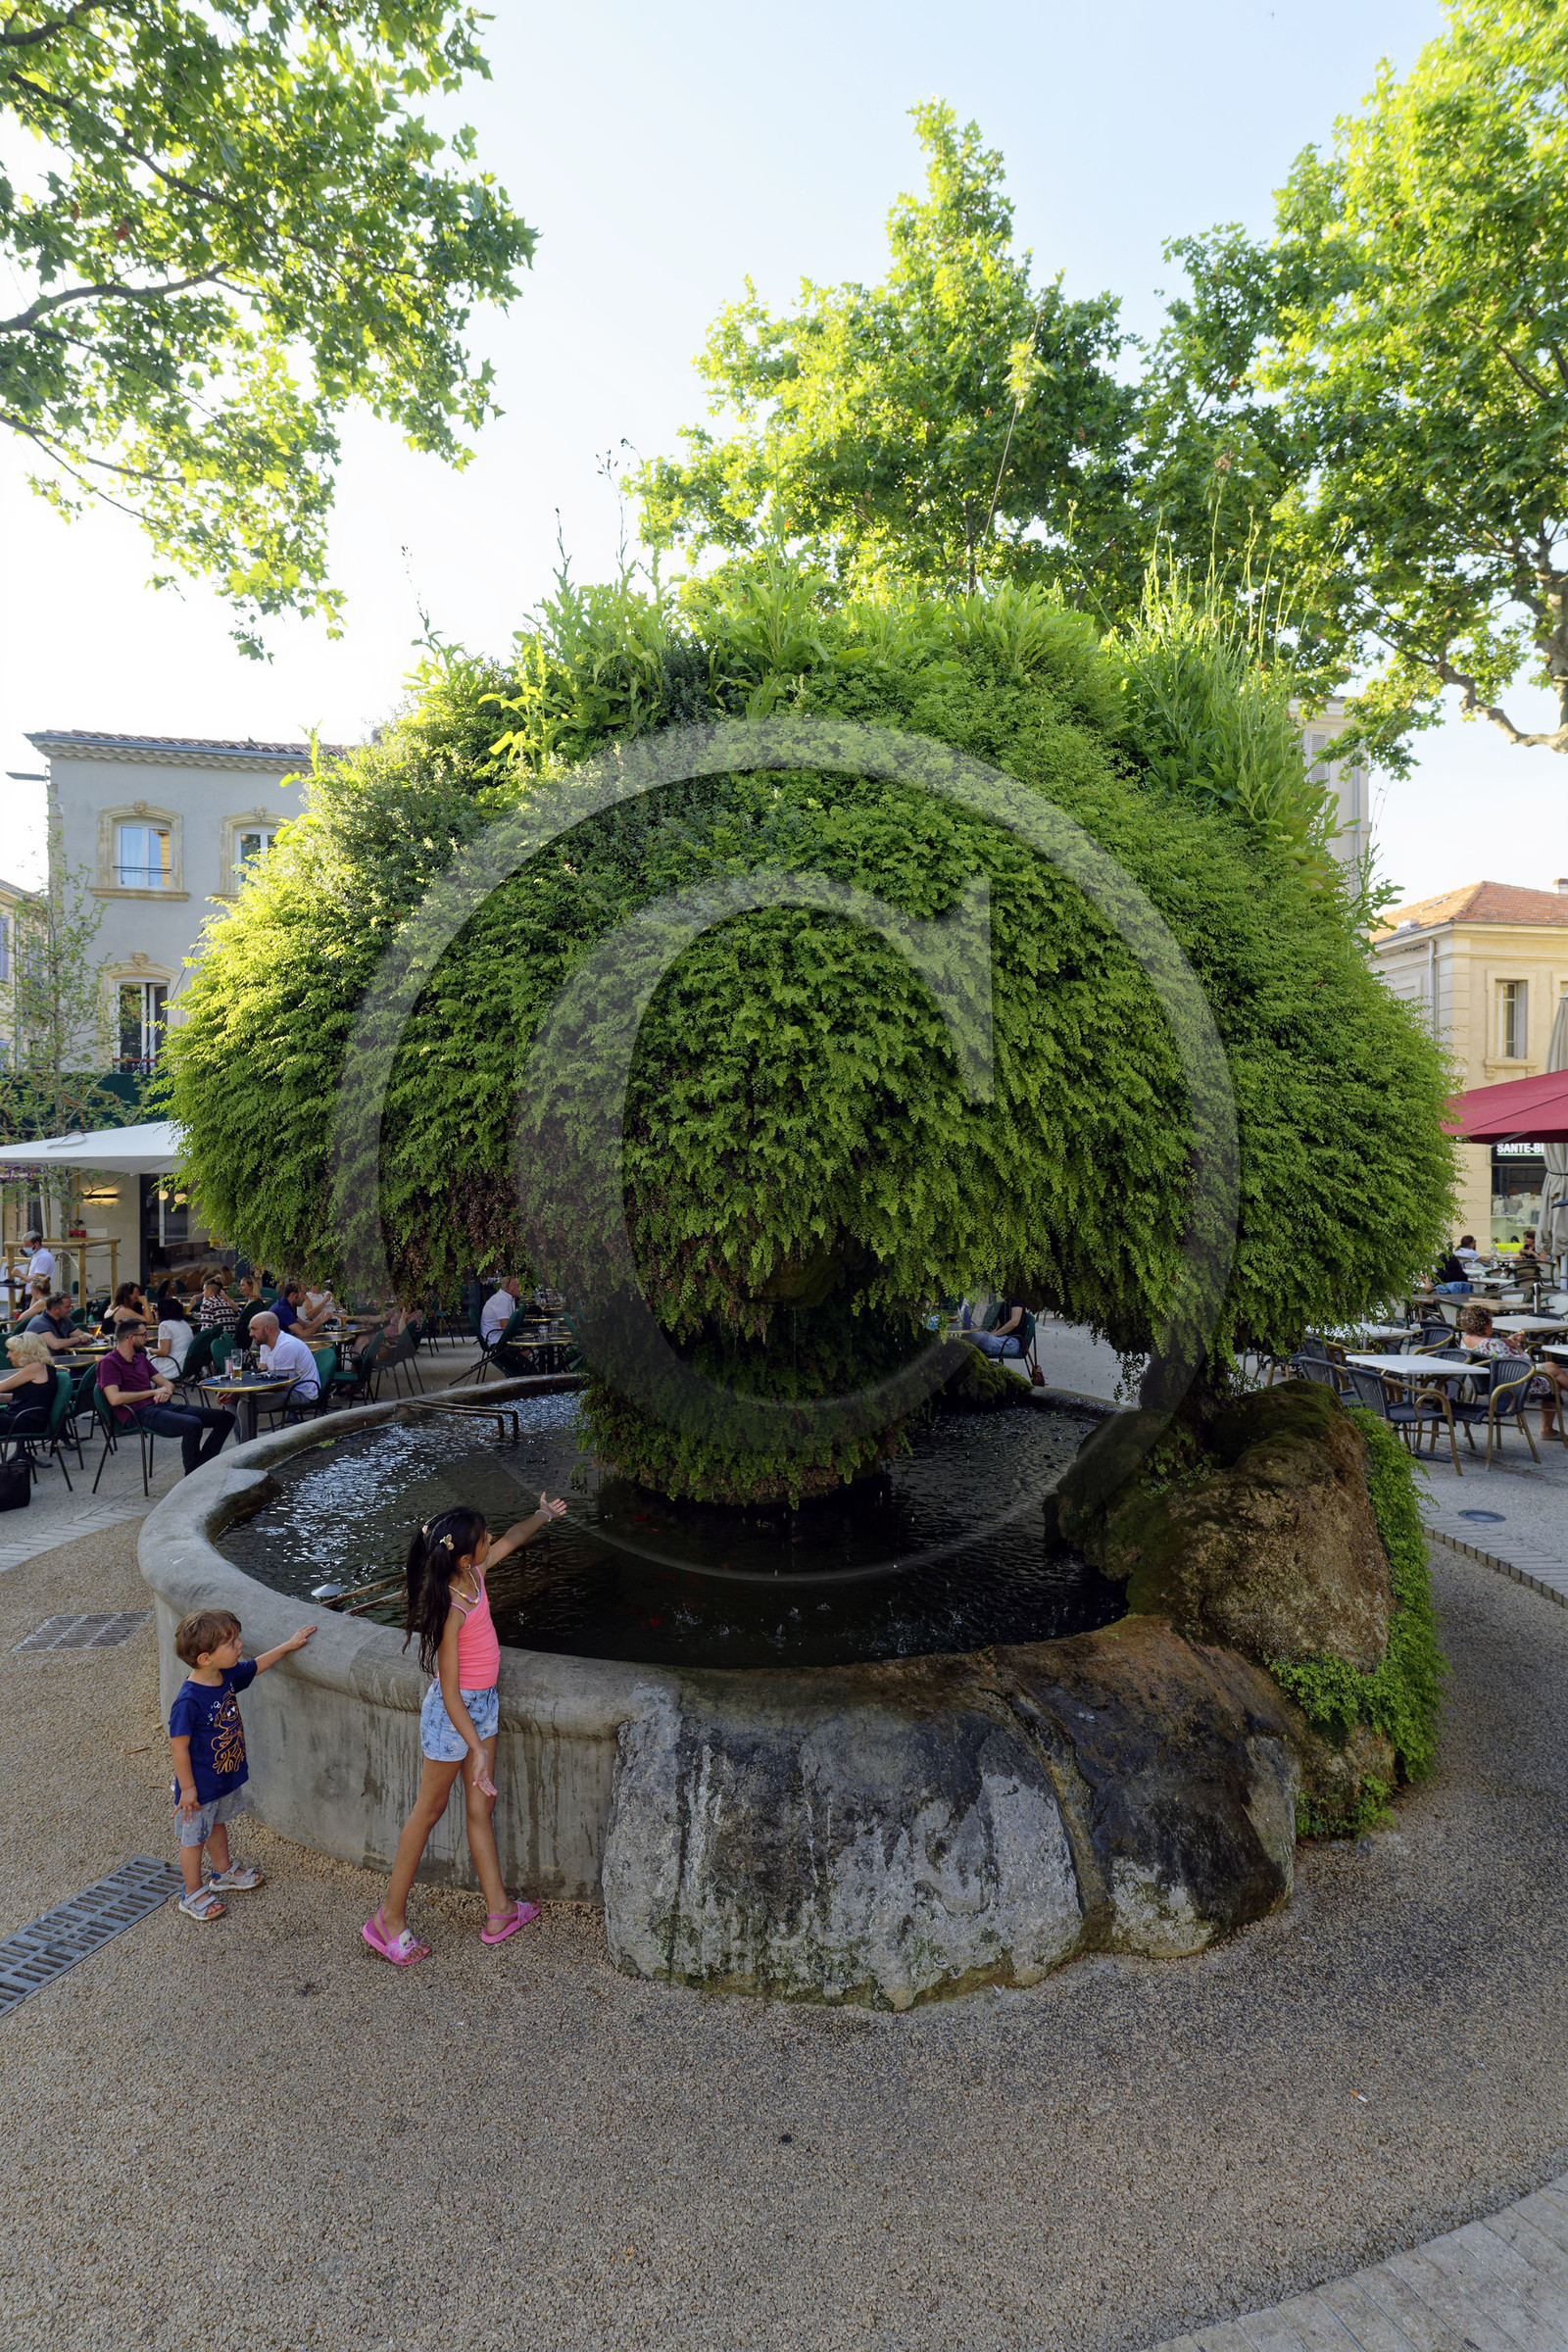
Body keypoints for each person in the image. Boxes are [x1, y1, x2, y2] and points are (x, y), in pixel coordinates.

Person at [364, 1496, 566, 1966]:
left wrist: (543, 1515)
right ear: (462, 1557)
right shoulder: (451, 1607)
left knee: (482, 1805)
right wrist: (474, 1746)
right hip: (453, 1717)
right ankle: (387, 1918)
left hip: (484, 1706)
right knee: (428, 1811)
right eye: (483, 1540)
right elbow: (450, 1692)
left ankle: (499, 1910)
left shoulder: (476, 1574)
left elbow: (513, 1538)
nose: (491, 1542)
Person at [168, 1607, 315, 1922]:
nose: (240, 1645)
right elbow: (178, 1746)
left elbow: (256, 1665)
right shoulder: (189, 1700)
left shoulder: (225, 1677)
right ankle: (191, 1893)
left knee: (217, 1823)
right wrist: (188, 1790)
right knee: (193, 1839)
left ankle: (222, 1873)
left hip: (221, 1778)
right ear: (206, 1658)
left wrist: (287, 1645)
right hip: (197, 1788)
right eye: (232, 1642)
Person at [96, 1318, 235, 1474]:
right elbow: (114, 1399)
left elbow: (168, 1384)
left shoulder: (140, 1358)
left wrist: (166, 1392)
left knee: (225, 1418)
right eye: (143, 1335)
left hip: (159, 1406)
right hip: (135, 1413)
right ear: (130, 1338)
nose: (147, 1339)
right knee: (193, 1424)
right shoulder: (109, 1363)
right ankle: (194, 1474)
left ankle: (200, 1469)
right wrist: (153, 1392)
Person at [1455, 1302, 1568, 1440]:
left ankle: (1547, 1430)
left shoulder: (1465, 1340)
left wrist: (1507, 1343)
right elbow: (1526, 1365)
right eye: (1490, 1322)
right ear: (1485, 1325)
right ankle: (1546, 1429)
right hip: (1514, 1385)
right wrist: (1519, 1349)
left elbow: (1497, 1356)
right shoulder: (1493, 1343)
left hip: (1489, 1385)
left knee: (1552, 1372)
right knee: (1554, 1377)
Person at [250, 1310, 319, 1405]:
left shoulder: (285, 1347)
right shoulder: (265, 1344)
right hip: (285, 1388)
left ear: (267, 1329)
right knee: (233, 1399)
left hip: (301, 1393)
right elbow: (262, 1371)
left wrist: (248, 1391)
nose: (250, 1334)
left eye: (254, 1329)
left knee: (247, 1402)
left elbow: (282, 1385)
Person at [0, 1332, 56, 1443]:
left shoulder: (35, 1367)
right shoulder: (44, 1367)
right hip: (25, 1417)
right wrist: (3, 1398)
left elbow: (1, 1386)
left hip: (26, 1421)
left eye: (12, 1350)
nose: (8, 1355)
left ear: (26, 1351)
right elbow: (32, 1397)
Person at [151, 1299, 195, 1380]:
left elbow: (164, 1352)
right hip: (186, 1364)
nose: (154, 1311)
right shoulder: (183, 1323)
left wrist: (149, 1350)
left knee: (141, 1360)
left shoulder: (165, 1325)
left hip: (173, 1364)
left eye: (156, 1308)